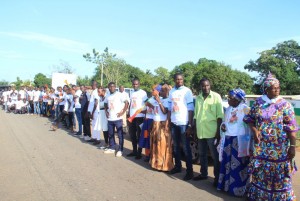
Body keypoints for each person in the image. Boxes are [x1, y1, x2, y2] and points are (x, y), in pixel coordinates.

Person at [243, 73, 298, 201]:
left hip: (280, 148)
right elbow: (249, 119)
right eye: (274, 88)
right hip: (261, 147)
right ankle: (260, 196)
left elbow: (292, 127)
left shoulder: (285, 105)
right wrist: (254, 129)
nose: (277, 90)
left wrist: (293, 146)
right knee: (261, 172)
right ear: (266, 89)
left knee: (280, 175)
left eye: (278, 87)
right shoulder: (258, 103)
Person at [217, 88, 251, 196]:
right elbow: (224, 122)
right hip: (228, 139)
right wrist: (222, 126)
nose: (228, 100)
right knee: (227, 164)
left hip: (240, 141)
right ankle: (226, 187)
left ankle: (238, 190)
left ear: (237, 99)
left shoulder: (245, 109)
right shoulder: (228, 109)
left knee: (239, 166)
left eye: (230, 97)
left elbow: (251, 124)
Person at [193, 78, 223, 186]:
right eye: (203, 86)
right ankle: (203, 174)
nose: (205, 88)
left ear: (210, 86)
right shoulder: (198, 98)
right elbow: (196, 115)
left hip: (212, 132)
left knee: (215, 157)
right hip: (201, 131)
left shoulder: (216, 97)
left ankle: (217, 178)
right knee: (202, 155)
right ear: (200, 87)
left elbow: (220, 116)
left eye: (207, 86)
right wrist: (195, 129)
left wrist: (218, 133)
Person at [168, 73, 194, 181]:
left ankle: (190, 171)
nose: (179, 81)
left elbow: (191, 108)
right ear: (174, 80)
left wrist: (189, 125)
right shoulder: (171, 91)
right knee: (176, 147)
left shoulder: (187, 91)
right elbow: (169, 107)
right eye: (177, 79)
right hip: (174, 123)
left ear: (183, 80)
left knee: (186, 148)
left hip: (184, 123)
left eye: (181, 79)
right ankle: (178, 167)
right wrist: (169, 121)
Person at [149, 84, 174, 171]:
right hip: (155, 124)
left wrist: (159, 101)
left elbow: (164, 112)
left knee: (162, 145)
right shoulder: (159, 99)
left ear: (167, 92)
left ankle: (164, 166)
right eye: (160, 91)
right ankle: (155, 164)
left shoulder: (167, 101)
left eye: (163, 91)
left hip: (163, 125)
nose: (160, 92)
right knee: (155, 145)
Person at [104, 82, 129, 157]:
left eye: (113, 86)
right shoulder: (107, 95)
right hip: (110, 119)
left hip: (118, 118)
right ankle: (112, 147)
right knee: (111, 134)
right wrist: (106, 111)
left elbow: (126, 103)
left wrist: (122, 112)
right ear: (108, 87)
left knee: (120, 135)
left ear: (115, 87)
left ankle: (120, 150)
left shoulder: (119, 94)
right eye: (110, 87)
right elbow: (105, 103)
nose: (112, 88)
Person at [127, 78, 148, 158]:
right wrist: (129, 114)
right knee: (132, 135)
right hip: (132, 117)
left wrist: (145, 112)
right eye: (134, 84)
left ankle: (139, 153)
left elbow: (147, 103)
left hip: (139, 117)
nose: (135, 85)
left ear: (139, 84)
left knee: (139, 135)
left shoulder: (143, 93)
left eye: (136, 84)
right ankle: (134, 151)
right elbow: (130, 104)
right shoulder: (132, 93)